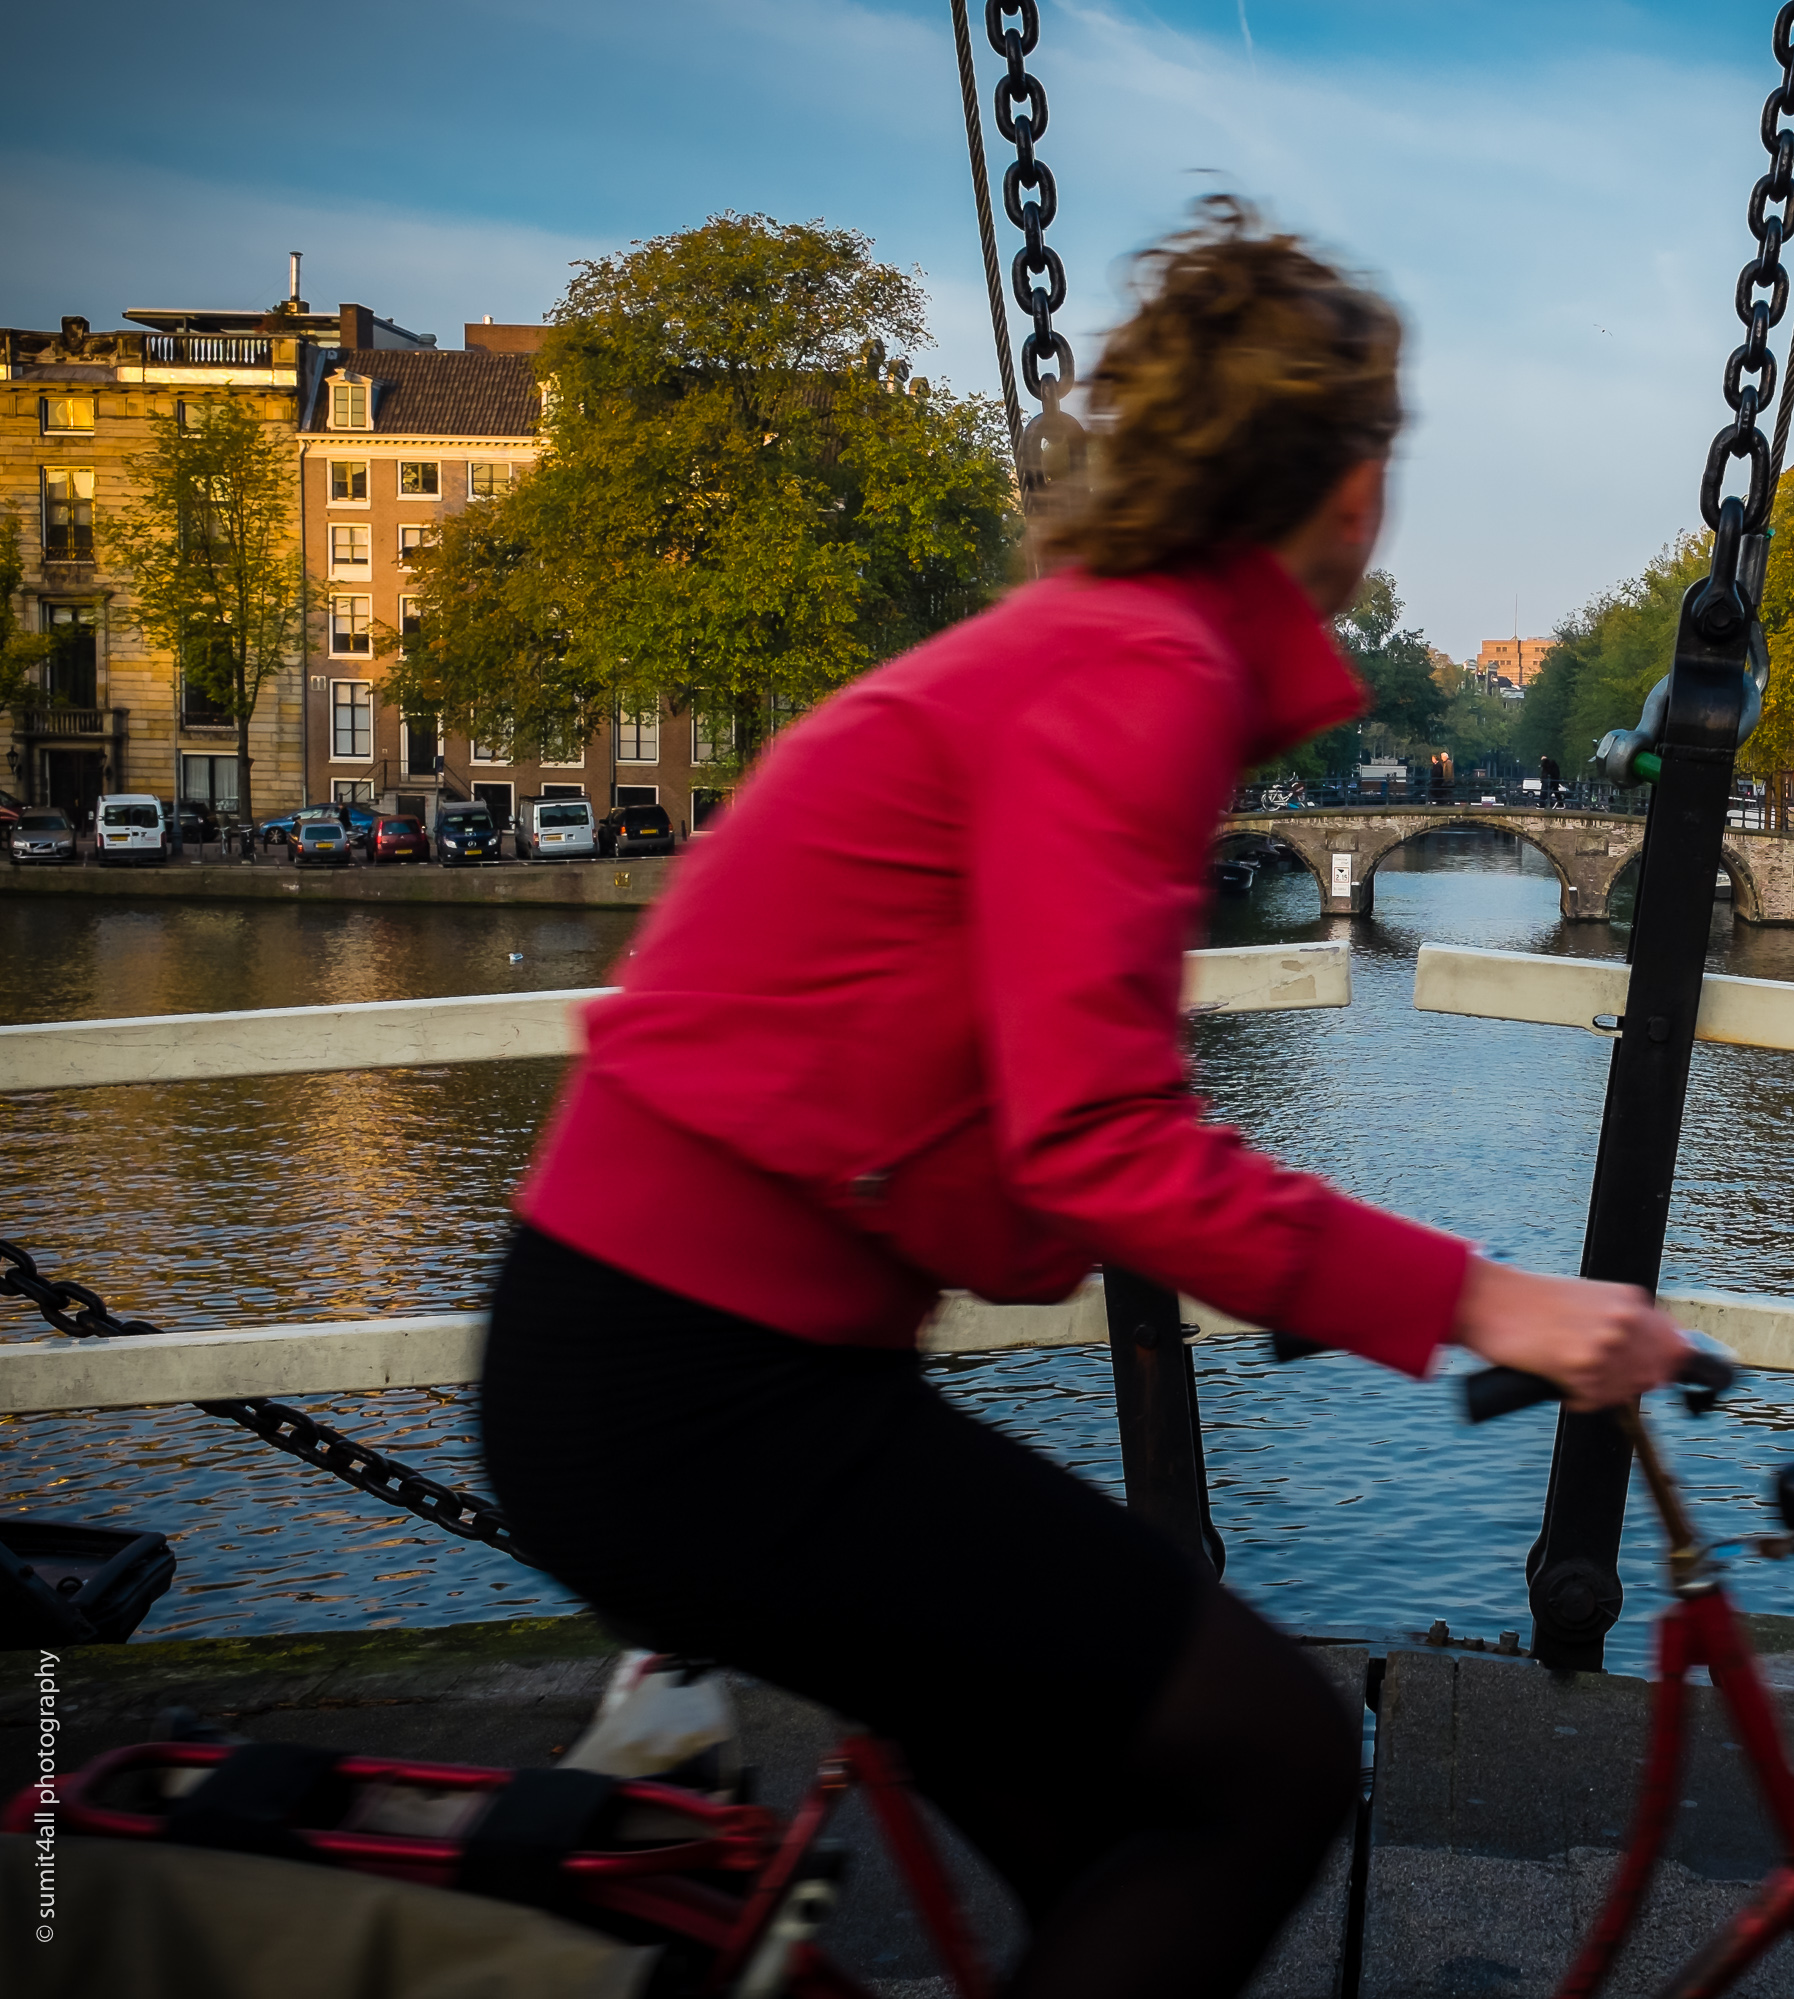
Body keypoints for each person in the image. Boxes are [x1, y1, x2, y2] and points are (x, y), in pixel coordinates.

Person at [476, 200, 1689, 1999]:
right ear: (1349, 488)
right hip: (703, 1397)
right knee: (1267, 1765)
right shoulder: (1140, 675)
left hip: (680, 1355)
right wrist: (1492, 1301)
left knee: (1113, 1858)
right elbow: (1100, 1145)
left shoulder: (1090, 641)